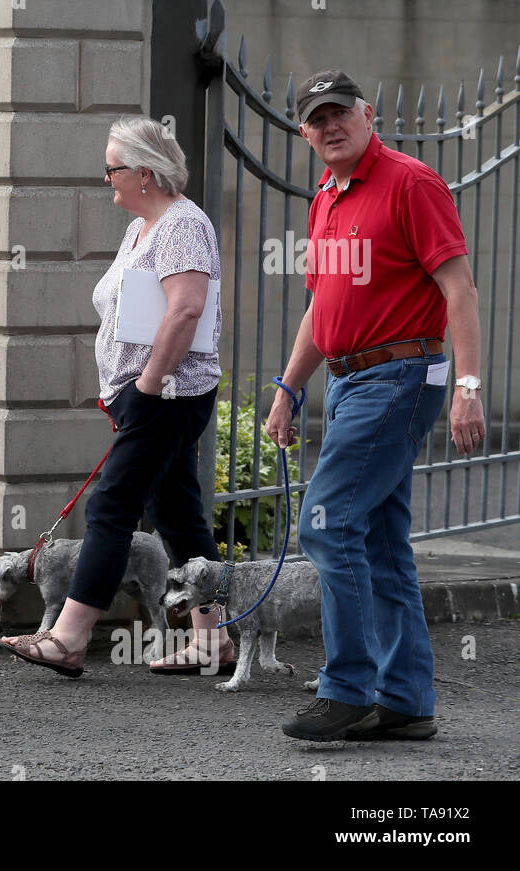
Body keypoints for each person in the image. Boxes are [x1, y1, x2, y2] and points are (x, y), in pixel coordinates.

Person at [267, 70, 485, 741]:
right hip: (350, 382)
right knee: (381, 540)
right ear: (305, 132)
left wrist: (470, 388)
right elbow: (320, 306)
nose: (329, 126)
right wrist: (287, 387)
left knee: (327, 523)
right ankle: (406, 697)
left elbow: (461, 291)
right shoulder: (325, 199)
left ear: (368, 115)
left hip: (401, 375)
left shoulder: (411, 182)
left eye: (340, 113)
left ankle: (347, 686)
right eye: (316, 119)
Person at [0, 114, 232, 677]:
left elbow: (187, 309)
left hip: (168, 393)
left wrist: (148, 384)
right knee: (178, 517)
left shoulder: (182, 225)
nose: (107, 179)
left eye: (113, 169)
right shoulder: (142, 228)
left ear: (145, 173)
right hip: (144, 394)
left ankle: (68, 638)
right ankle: (214, 641)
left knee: (111, 505)